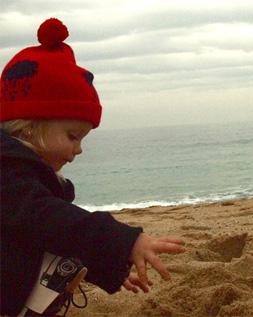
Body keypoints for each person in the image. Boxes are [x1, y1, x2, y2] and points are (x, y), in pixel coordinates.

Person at [0, 18, 185, 315]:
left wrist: (107, 267)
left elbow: (56, 240)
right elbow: (50, 220)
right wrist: (124, 241)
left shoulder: (32, 180)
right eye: (72, 136)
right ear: (29, 127)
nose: (79, 148)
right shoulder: (7, 176)